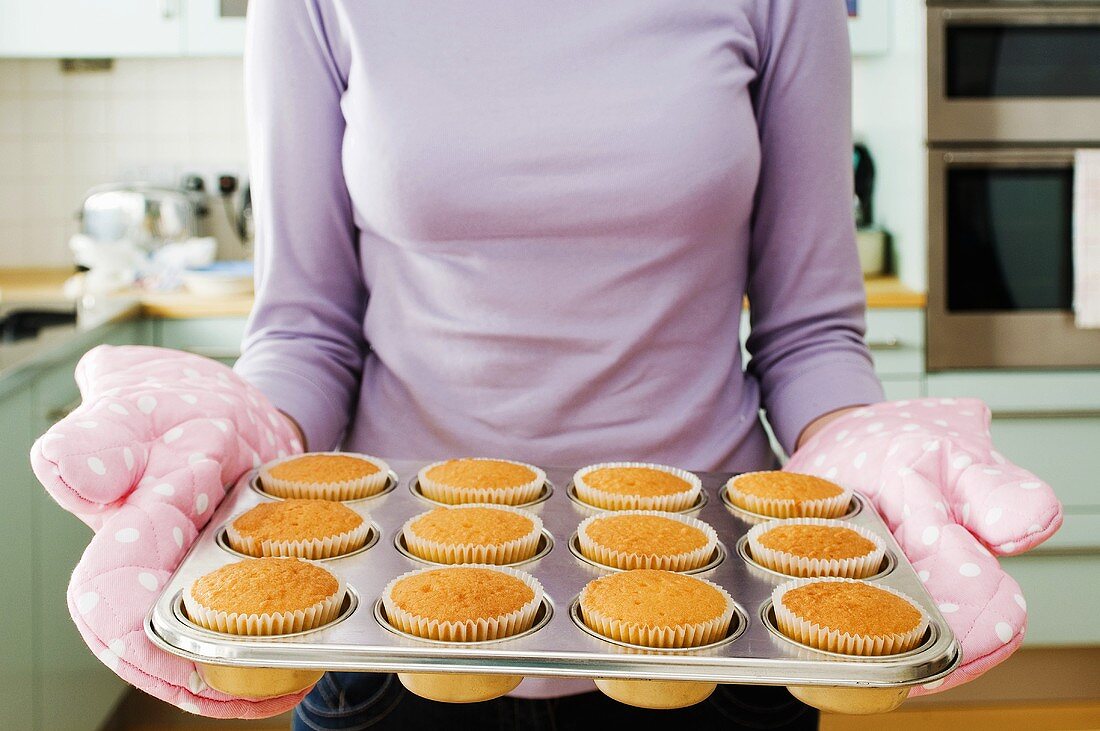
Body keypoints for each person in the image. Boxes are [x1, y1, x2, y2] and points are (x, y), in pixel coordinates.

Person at [31, 2, 1063, 730]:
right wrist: (249, 429)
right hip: (392, 629)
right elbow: (307, 323)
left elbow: (805, 332)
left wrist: (856, 435)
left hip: (722, 628)